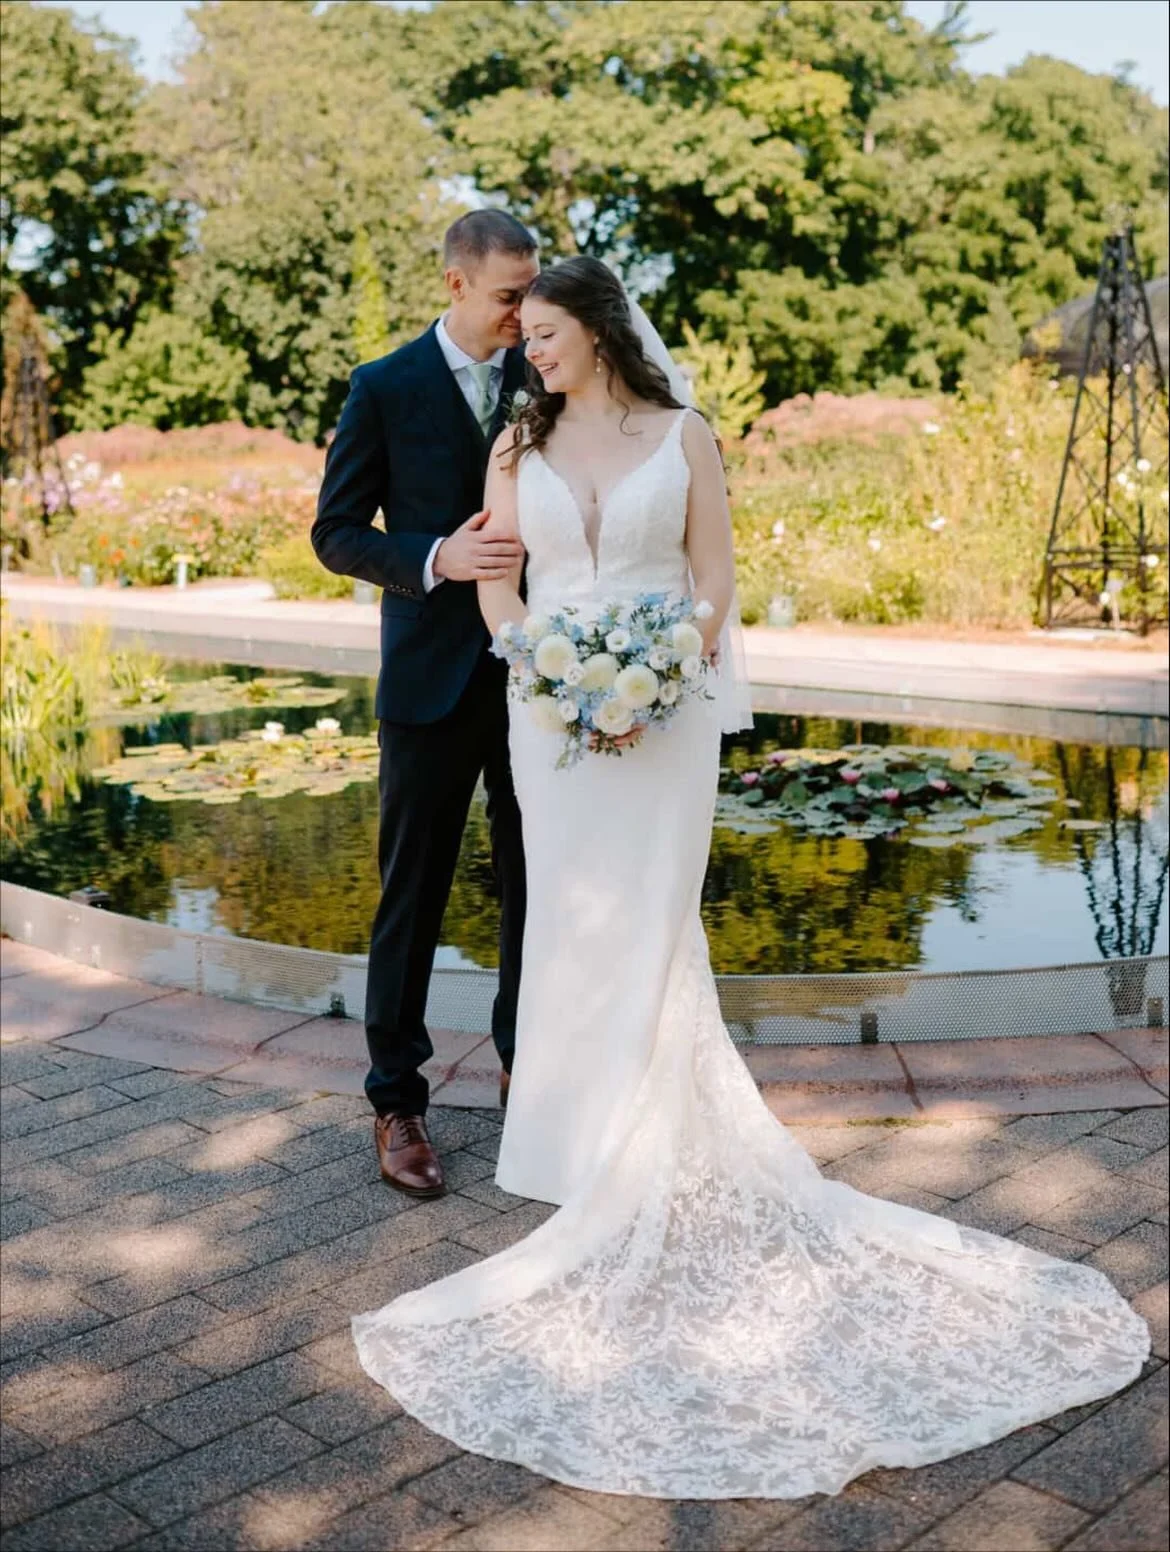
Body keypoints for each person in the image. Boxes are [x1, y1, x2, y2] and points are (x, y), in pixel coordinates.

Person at [351, 257, 1148, 1499]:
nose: (530, 354)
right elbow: (501, 576)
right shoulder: (517, 436)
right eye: (525, 336)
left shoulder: (688, 437)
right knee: (566, 922)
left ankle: (650, 1144)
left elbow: (714, 586)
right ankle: (577, 1150)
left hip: (659, 724)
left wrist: (659, 671)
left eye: (548, 334)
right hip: (548, 718)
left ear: (601, 332)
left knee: (657, 926)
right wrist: (546, 665)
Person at [311, 211, 539, 1199]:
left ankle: (530, 1074)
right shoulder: (384, 385)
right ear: (455, 285)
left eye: (533, 292)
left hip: (537, 681)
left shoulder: (551, 378)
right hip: (428, 683)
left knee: (539, 891)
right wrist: (437, 558)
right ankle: (396, 1100)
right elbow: (335, 533)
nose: (526, 313)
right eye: (508, 295)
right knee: (414, 893)